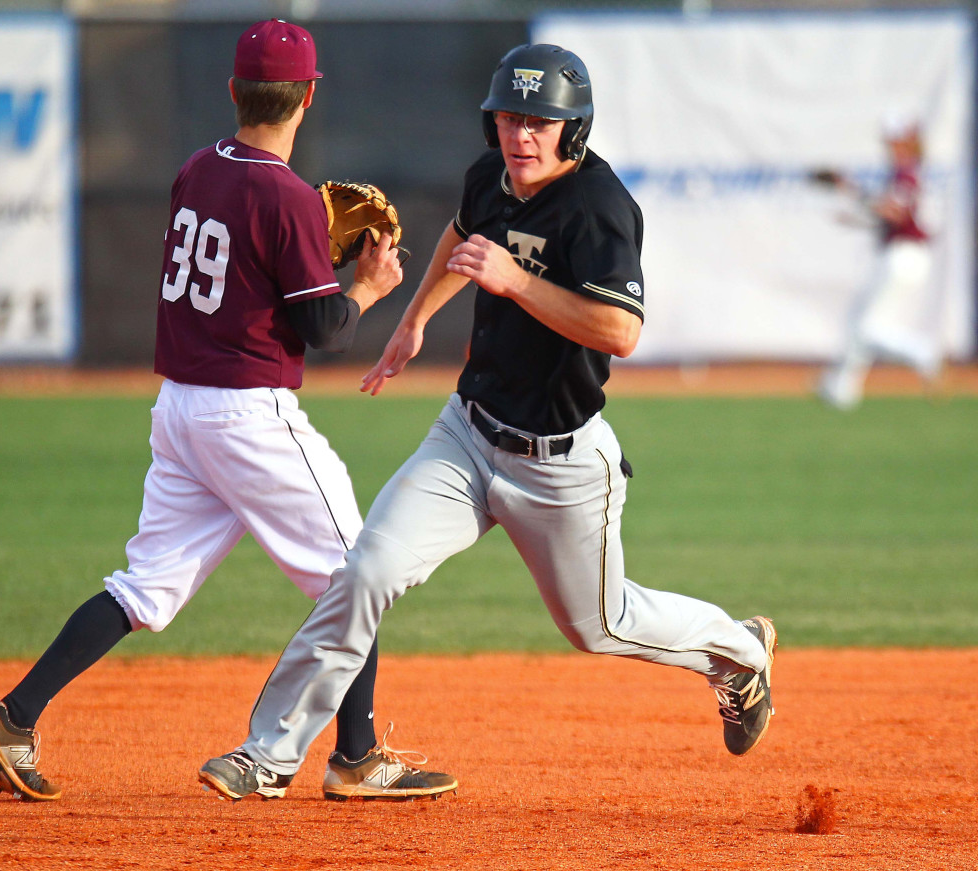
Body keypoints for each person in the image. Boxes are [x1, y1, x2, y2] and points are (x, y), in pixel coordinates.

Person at [198, 43, 778, 801]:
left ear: (574, 130)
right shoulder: (492, 178)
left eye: (540, 122)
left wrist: (517, 281)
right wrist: (414, 319)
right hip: (467, 436)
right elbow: (461, 235)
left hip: (562, 463)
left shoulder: (601, 209)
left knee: (600, 624)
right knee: (366, 569)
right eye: (509, 117)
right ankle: (268, 753)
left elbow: (620, 333)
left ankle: (738, 652)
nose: (521, 136)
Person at [0, 18, 456, 804]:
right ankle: (356, 757)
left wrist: (312, 260)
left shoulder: (197, 169)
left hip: (180, 410)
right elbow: (325, 328)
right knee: (360, 568)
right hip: (246, 416)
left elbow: (253, 284)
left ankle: (14, 715)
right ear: (306, 100)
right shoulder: (288, 195)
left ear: (235, 90)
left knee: (145, 586)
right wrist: (367, 284)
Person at [817, 110, 941, 410]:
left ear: (906, 141)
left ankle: (922, 353)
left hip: (904, 255)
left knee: (868, 327)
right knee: (858, 319)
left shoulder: (906, 171)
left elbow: (894, 212)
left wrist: (850, 190)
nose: (888, 143)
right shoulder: (905, 172)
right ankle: (842, 387)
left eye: (894, 138)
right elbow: (892, 216)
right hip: (903, 253)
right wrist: (857, 219)